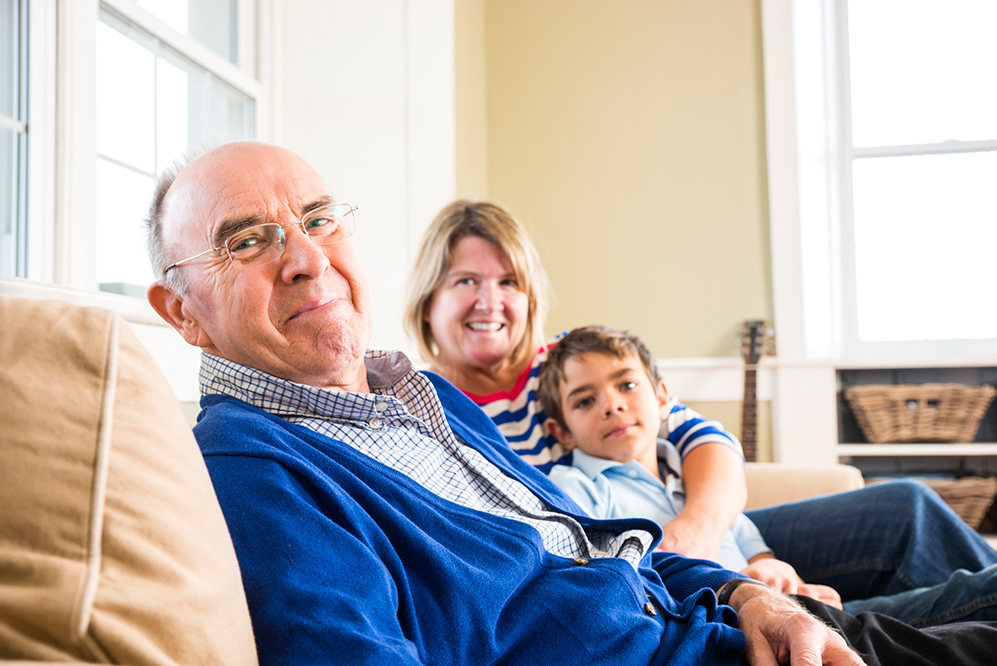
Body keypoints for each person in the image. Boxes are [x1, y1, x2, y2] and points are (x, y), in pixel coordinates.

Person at [143, 140, 997, 666]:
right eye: (247, 240)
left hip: (710, 611)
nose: (303, 257)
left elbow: (603, 529)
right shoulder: (257, 465)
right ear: (182, 310)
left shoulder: (426, 396)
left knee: (927, 535)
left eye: (320, 219)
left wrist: (743, 591)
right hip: (684, 647)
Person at [404, 199, 997, 618]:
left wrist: (703, 535)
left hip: (692, 534)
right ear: (429, 299)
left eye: (508, 281)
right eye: (464, 282)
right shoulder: (424, 407)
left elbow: (702, 440)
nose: (490, 301)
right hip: (621, 572)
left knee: (907, 507)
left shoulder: (570, 363)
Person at [539, 324, 997, 626]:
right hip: (742, 625)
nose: (612, 404)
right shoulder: (575, 488)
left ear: (663, 399)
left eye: (626, 384)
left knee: (971, 597)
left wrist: (775, 571)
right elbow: (601, 580)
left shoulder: (698, 485)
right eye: (585, 400)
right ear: (562, 432)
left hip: (795, 607)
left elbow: (759, 552)